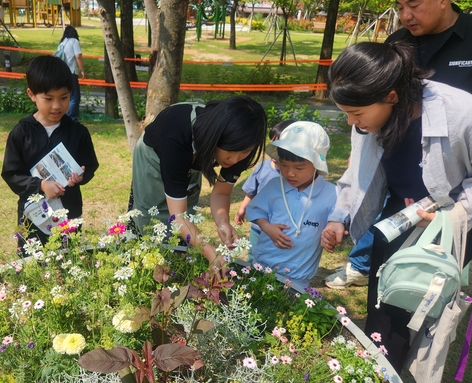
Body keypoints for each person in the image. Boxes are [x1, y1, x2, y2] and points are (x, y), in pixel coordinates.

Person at [324, 0, 472, 289]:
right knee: (387, 250)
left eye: (413, 5)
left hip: (457, 166)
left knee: (422, 282)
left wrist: (459, 207)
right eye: (400, 7)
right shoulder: (399, 41)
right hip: (402, 162)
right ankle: (365, 266)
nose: (406, 15)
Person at [321, 41, 472, 371]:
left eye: (357, 114)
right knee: (383, 288)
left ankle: (396, 372)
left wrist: (450, 217)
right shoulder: (369, 110)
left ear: (392, 97)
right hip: (403, 208)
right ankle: (378, 364)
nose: (354, 124)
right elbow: (359, 171)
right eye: (347, 115)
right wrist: (340, 216)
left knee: (415, 292)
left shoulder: (462, 113)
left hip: (458, 210)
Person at [131, 95, 267, 268]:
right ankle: (151, 263)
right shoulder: (177, 138)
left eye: (244, 152)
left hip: (192, 154)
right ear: (215, 137)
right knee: (151, 217)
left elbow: (222, 192)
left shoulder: (241, 146)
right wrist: (211, 253)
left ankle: (178, 262)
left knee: (187, 212)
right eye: (230, 151)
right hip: (155, 157)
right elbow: (177, 217)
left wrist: (223, 222)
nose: (235, 160)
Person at [1, 55, 99, 245]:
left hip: (68, 211)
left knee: (68, 259)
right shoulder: (21, 133)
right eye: (48, 98)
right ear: (32, 94)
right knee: (34, 263)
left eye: (64, 97)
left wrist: (81, 176)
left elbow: (90, 165)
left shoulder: (78, 133)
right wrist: (40, 186)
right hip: (33, 214)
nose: (57, 105)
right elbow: (12, 174)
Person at [247, 122, 337, 290]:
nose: (290, 173)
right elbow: (254, 209)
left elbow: (338, 221)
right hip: (263, 265)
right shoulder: (274, 186)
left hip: (299, 273)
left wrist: (331, 234)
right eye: (284, 165)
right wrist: (267, 227)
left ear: (317, 164)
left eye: (299, 167)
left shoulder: (332, 193)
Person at [234, 120, 294, 261]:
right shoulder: (263, 167)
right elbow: (251, 191)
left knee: (273, 257)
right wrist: (243, 209)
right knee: (253, 254)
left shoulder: (294, 177)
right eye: (272, 145)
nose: (274, 151)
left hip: (280, 228)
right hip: (258, 225)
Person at [56, 25, 86, 121]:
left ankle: (64, 116)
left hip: (61, 71)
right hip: (71, 71)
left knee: (65, 95)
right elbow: (78, 56)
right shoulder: (74, 41)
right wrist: (82, 70)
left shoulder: (61, 43)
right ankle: (72, 118)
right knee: (74, 96)